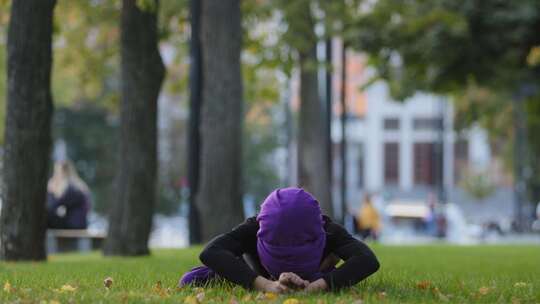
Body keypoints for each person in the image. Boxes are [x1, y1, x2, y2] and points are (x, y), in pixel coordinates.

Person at [179, 187, 379, 293]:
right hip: (260, 273)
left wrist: (317, 285)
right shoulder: (255, 228)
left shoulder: (328, 230)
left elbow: (368, 260)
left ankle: (323, 267)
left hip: (316, 273)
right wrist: (264, 285)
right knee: (193, 279)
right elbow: (210, 253)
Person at [46, 160, 91, 229]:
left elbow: (53, 206)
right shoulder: (76, 185)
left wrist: (51, 191)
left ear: (64, 172)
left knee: (47, 216)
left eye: (57, 172)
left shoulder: (73, 188)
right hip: (75, 223)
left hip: (75, 225)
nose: (55, 176)